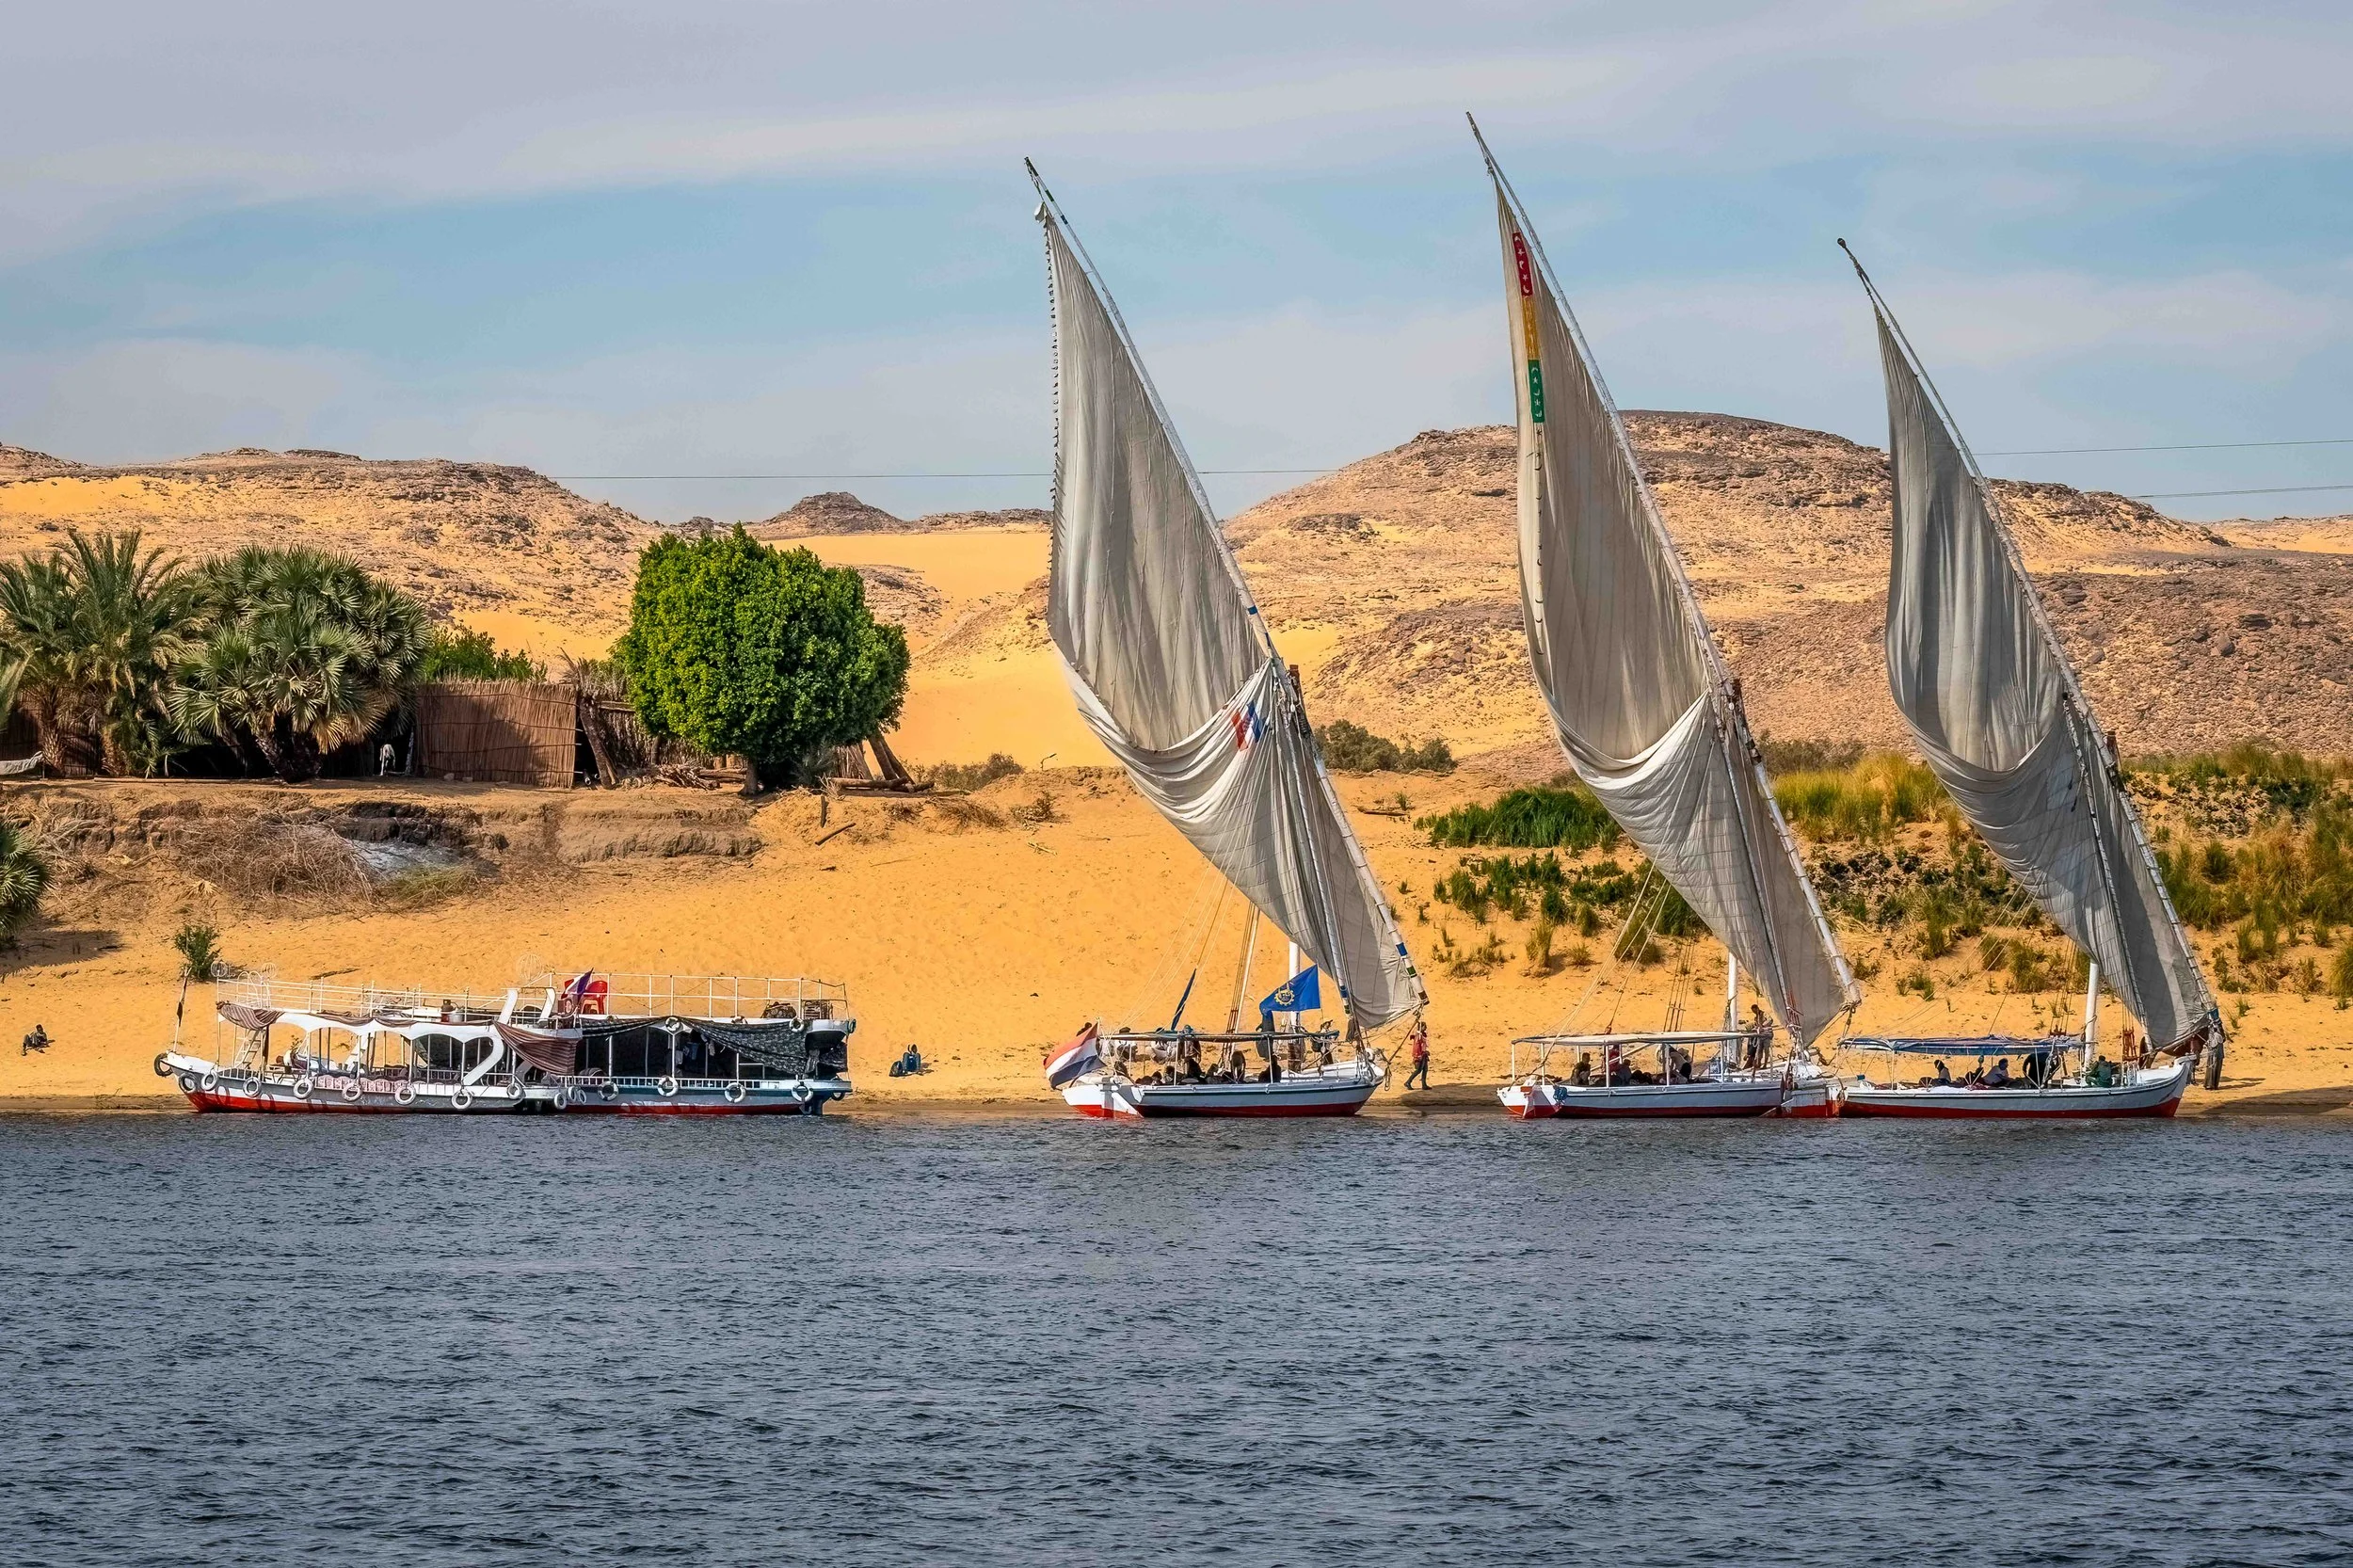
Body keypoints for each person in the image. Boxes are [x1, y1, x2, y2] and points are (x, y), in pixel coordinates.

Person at [1404, 1018, 1431, 1092]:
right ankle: (1408, 1082)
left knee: (1425, 1069)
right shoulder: (1418, 1036)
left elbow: (1423, 1045)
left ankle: (1424, 1084)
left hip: (1424, 1055)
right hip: (1420, 1055)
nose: (1426, 1028)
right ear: (1421, 1027)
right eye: (1424, 1026)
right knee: (1418, 1070)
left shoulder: (1422, 1035)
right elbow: (1416, 1047)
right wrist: (1418, 1055)